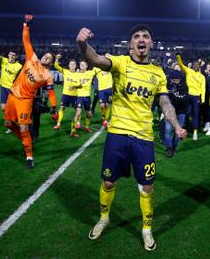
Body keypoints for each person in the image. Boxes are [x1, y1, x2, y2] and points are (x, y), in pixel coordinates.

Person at [76, 24, 187, 251]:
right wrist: (81, 44)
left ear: (151, 43)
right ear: (131, 44)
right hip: (117, 134)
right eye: (136, 36)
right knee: (108, 181)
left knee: (147, 187)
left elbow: (165, 102)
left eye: (146, 36)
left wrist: (176, 125)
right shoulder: (120, 62)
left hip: (143, 138)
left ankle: (147, 230)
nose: (141, 39)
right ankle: (104, 218)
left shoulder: (158, 73)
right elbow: (96, 59)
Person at [4, 15, 57, 169]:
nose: (46, 57)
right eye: (46, 55)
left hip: (26, 100)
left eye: (49, 58)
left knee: (24, 127)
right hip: (12, 95)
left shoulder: (48, 76)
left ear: (51, 63)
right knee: (8, 123)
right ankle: (25, 140)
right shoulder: (31, 58)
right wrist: (26, 24)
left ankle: (29, 156)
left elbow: (51, 92)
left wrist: (53, 107)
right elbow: (26, 40)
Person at [176, 53, 206, 141]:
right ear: (192, 66)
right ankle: (183, 131)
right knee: (185, 114)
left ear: (199, 66)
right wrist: (178, 56)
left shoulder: (202, 77)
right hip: (187, 96)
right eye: (194, 64)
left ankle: (195, 132)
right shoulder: (188, 71)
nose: (195, 66)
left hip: (196, 97)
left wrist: (203, 99)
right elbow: (181, 64)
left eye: (197, 65)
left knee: (195, 115)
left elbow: (203, 88)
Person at [53, 55, 79, 134]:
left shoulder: (79, 74)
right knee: (62, 107)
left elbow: (81, 84)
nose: (72, 65)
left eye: (73, 64)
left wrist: (75, 86)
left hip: (75, 95)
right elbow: (56, 66)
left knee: (77, 110)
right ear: (68, 65)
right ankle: (58, 124)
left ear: (76, 66)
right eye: (70, 64)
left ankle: (78, 123)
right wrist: (57, 58)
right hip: (66, 94)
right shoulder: (65, 71)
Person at [71, 61, 96, 136]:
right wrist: (79, 84)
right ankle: (73, 131)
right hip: (79, 97)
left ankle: (86, 127)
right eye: (80, 64)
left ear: (86, 66)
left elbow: (98, 66)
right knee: (78, 113)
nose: (81, 65)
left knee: (90, 114)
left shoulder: (90, 73)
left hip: (87, 98)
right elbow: (73, 85)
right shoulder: (76, 74)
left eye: (83, 64)